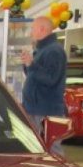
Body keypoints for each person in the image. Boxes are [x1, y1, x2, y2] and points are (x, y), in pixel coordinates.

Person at [21, 16, 67, 156]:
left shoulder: (54, 51)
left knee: (52, 146)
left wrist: (32, 65)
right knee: (33, 145)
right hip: (35, 108)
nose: (31, 33)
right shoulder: (42, 50)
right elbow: (33, 75)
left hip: (45, 109)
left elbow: (51, 79)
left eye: (33, 29)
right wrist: (27, 64)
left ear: (42, 29)